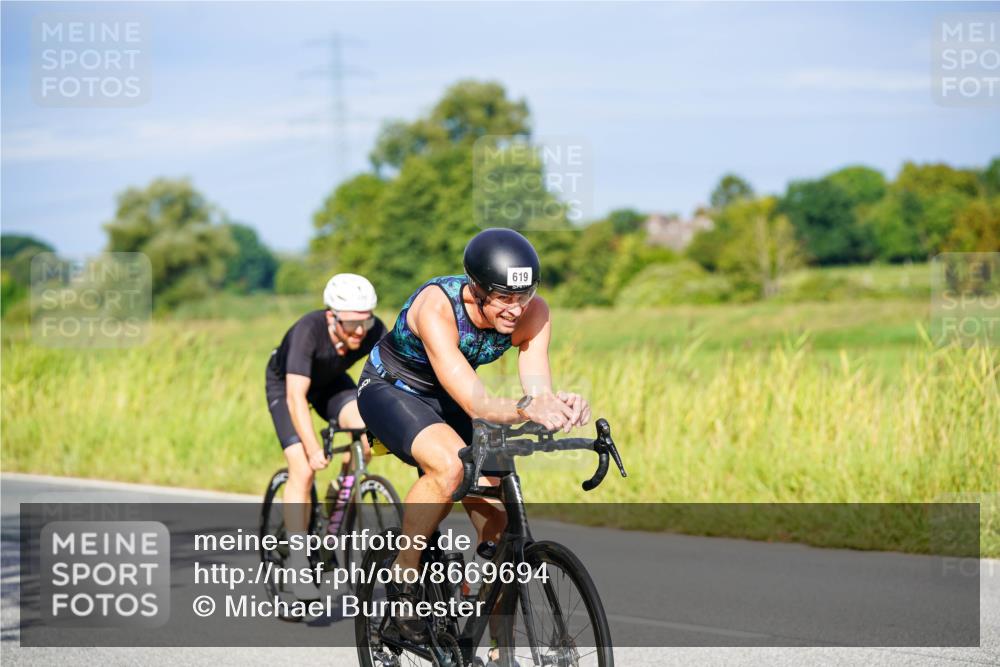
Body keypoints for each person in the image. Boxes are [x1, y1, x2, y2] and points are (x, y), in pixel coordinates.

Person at [356, 228, 590, 643]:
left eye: (524, 296)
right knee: (448, 469)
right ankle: (403, 583)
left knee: (499, 518)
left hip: (452, 398)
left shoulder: (535, 313)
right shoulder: (437, 308)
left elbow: (536, 390)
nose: (516, 310)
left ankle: (500, 642)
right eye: (503, 297)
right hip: (393, 390)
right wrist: (524, 408)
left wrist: (555, 406)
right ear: (476, 289)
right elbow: (478, 403)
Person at [265, 273, 386, 600]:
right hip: (287, 387)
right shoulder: (309, 331)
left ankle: (337, 497)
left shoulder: (373, 330)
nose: (361, 331)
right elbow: (295, 399)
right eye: (351, 324)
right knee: (303, 467)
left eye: (366, 321)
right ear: (332, 318)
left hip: (331, 384)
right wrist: (313, 446)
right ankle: (298, 559)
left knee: (366, 434)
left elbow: (393, 374)